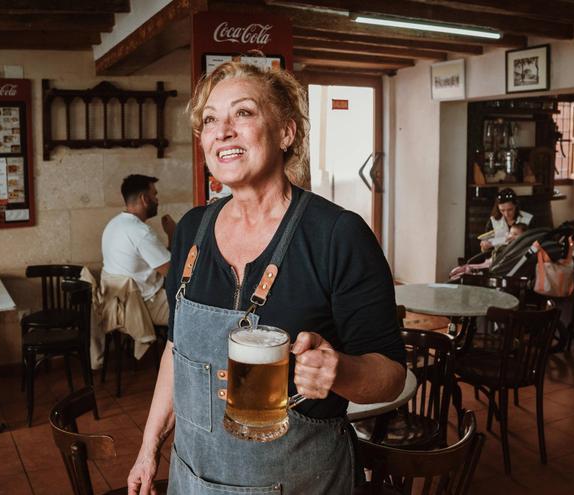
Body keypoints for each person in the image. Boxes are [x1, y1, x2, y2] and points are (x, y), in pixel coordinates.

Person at [127, 61, 406, 495]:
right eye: (210, 120)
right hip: (193, 479)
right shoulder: (191, 231)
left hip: (301, 482)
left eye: (243, 113)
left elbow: (391, 374)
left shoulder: (337, 235)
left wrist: (341, 370)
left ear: (286, 132)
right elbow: (175, 351)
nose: (222, 131)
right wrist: (149, 447)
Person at [101, 174, 176, 327]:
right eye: (154, 195)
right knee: (196, 311)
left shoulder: (114, 224)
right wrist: (174, 234)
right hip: (143, 306)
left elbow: (159, 261)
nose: (157, 200)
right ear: (144, 199)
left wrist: (170, 235)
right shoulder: (141, 232)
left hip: (117, 303)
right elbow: (173, 272)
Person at [451, 223, 528, 280]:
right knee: (463, 268)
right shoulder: (506, 245)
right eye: (510, 233)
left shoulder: (517, 249)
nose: (511, 236)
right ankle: (464, 270)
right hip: (490, 262)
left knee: (465, 271)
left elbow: (497, 263)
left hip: (493, 268)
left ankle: (466, 274)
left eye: (515, 234)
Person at [479, 188, 533, 252]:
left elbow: (536, 244)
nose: (506, 214)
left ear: (516, 205)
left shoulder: (528, 219)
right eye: (502, 210)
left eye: (510, 209)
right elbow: (485, 251)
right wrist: (484, 247)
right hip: (499, 258)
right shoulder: (492, 221)